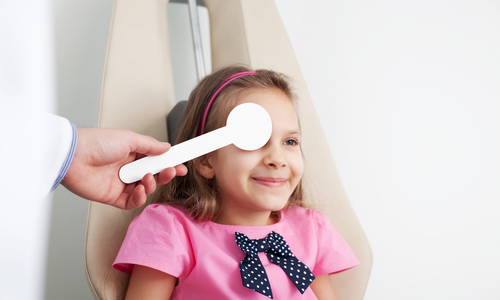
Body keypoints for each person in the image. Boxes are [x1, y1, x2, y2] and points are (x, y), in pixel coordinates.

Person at [113, 66, 360, 299]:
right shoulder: (170, 230)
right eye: (253, 140)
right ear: (206, 160)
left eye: (290, 142)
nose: (277, 159)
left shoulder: (312, 230)